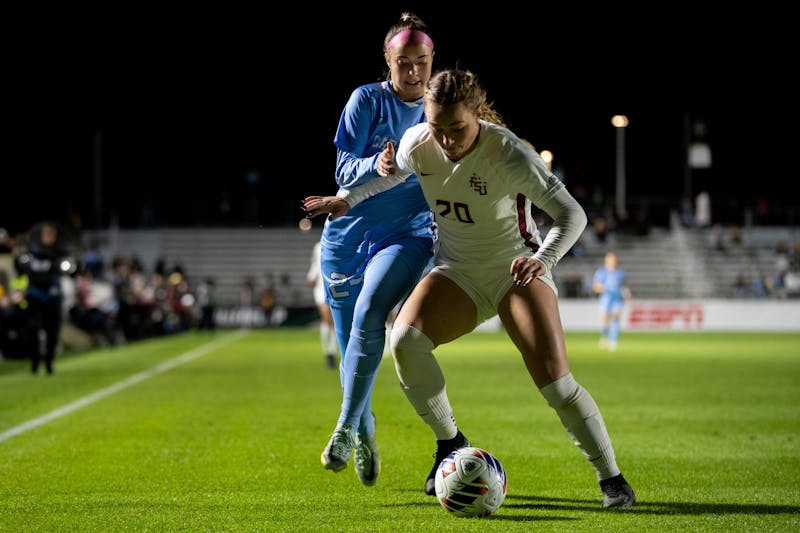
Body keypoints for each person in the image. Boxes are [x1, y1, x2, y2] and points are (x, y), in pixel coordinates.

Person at [303, 68, 636, 508]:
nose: (446, 139)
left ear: (477, 114)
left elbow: (572, 215)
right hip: (458, 270)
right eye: (438, 127)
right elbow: (394, 175)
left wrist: (541, 260)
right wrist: (347, 198)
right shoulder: (419, 142)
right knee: (404, 340)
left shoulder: (509, 153)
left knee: (556, 384)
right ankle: (450, 442)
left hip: (514, 270)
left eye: (457, 128)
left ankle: (612, 478)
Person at [315, 12, 438, 488]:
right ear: (387, 61)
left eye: (421, 62)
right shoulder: (364, 100)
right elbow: (346, 171)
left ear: (433, 61)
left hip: (407, 236)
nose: (413, 72)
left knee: (371, 311)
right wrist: (377, 162)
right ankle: (363, 430)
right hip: (345, 241)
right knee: (351, 355)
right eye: (403, 62)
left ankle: (344, 427)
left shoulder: (441, 106)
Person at [15, 221, 75, 374]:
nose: (48, 237)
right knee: (32, 329)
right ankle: (34, 361)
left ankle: (49, 362)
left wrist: (65, 265)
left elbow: (71, 269)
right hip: (34, 295)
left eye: (51, 235)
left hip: (52, 295)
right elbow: (20, 269)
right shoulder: (31, 253)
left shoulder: (60, 253)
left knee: (52, 332)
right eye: (46, 234)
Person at [307, 240, 339, 369]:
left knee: (334, 322)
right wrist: (311, 276)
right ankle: (329, 352)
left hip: (336, 288)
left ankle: (332, 351)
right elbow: (315, 264)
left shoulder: (340, 244)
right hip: (321, 288)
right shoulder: (318, 246)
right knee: (327, 319)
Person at [592, 251, 632, 351]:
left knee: (616, 317)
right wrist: (601, 288)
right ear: (607, 260)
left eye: (614, 259)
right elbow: (596, 287)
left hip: (617, 298)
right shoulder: (601, 272)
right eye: (611, 259)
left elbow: (624, 286)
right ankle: (604, 337)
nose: (613, 261)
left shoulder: (620, 273)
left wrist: (627, 295)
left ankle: (613, 341)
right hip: (606, 298)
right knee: (605, 320)